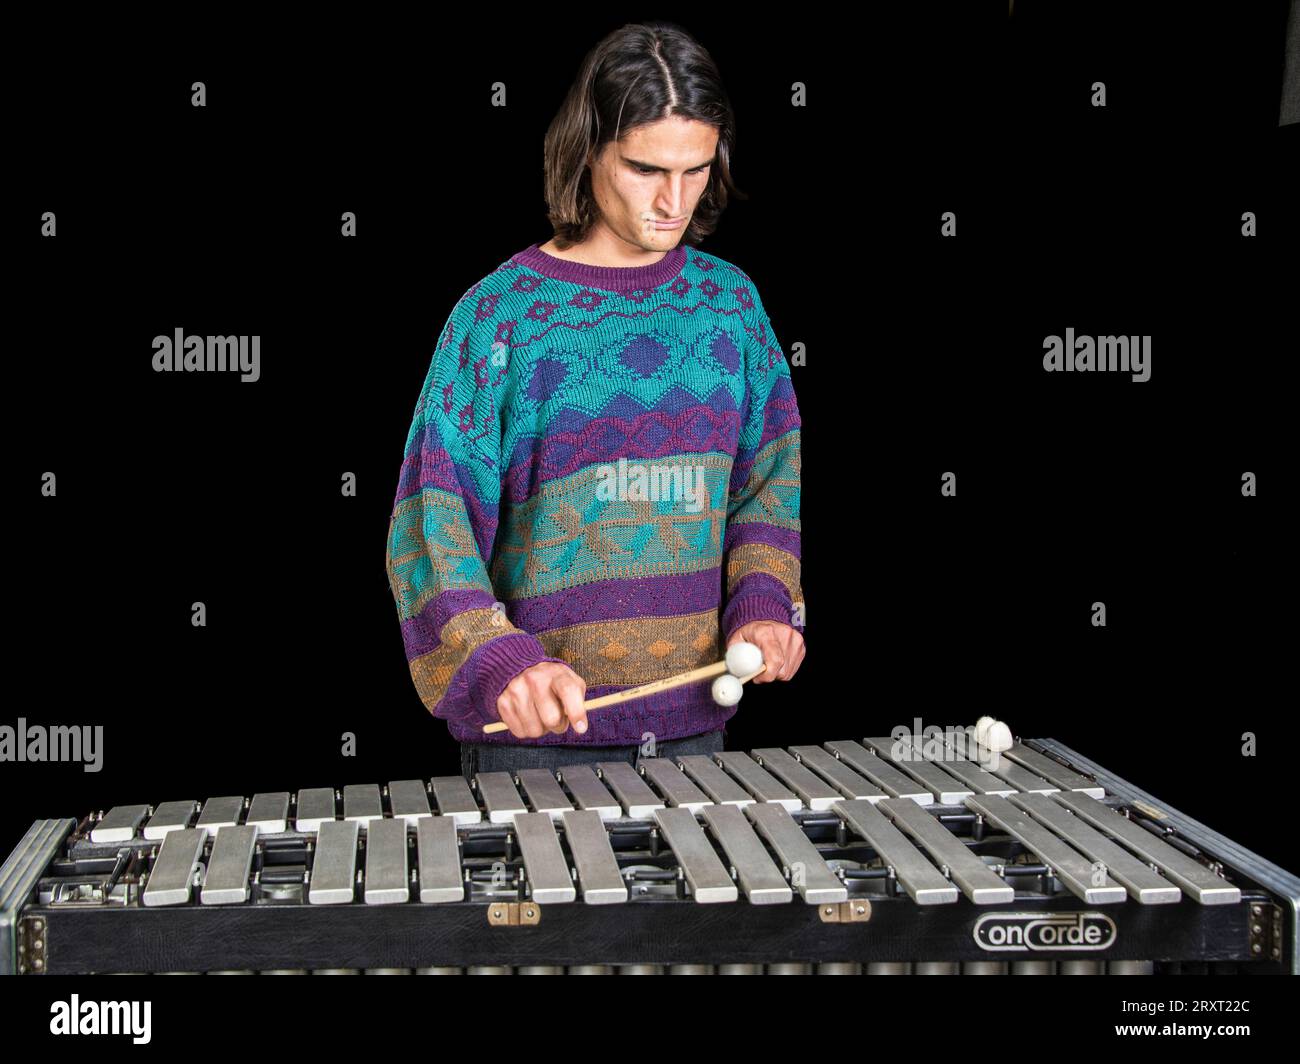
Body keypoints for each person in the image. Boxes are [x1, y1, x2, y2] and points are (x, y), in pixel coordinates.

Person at [385, 20, 805, 781]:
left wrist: (765, 605)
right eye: (646, 169)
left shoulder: (732, 306)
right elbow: (429, 529)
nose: (674, 201)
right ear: (588, 152)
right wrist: (501, 662)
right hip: (534, 750)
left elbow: (768, 486)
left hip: (697, 737)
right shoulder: (498, 317)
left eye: (697, 170)